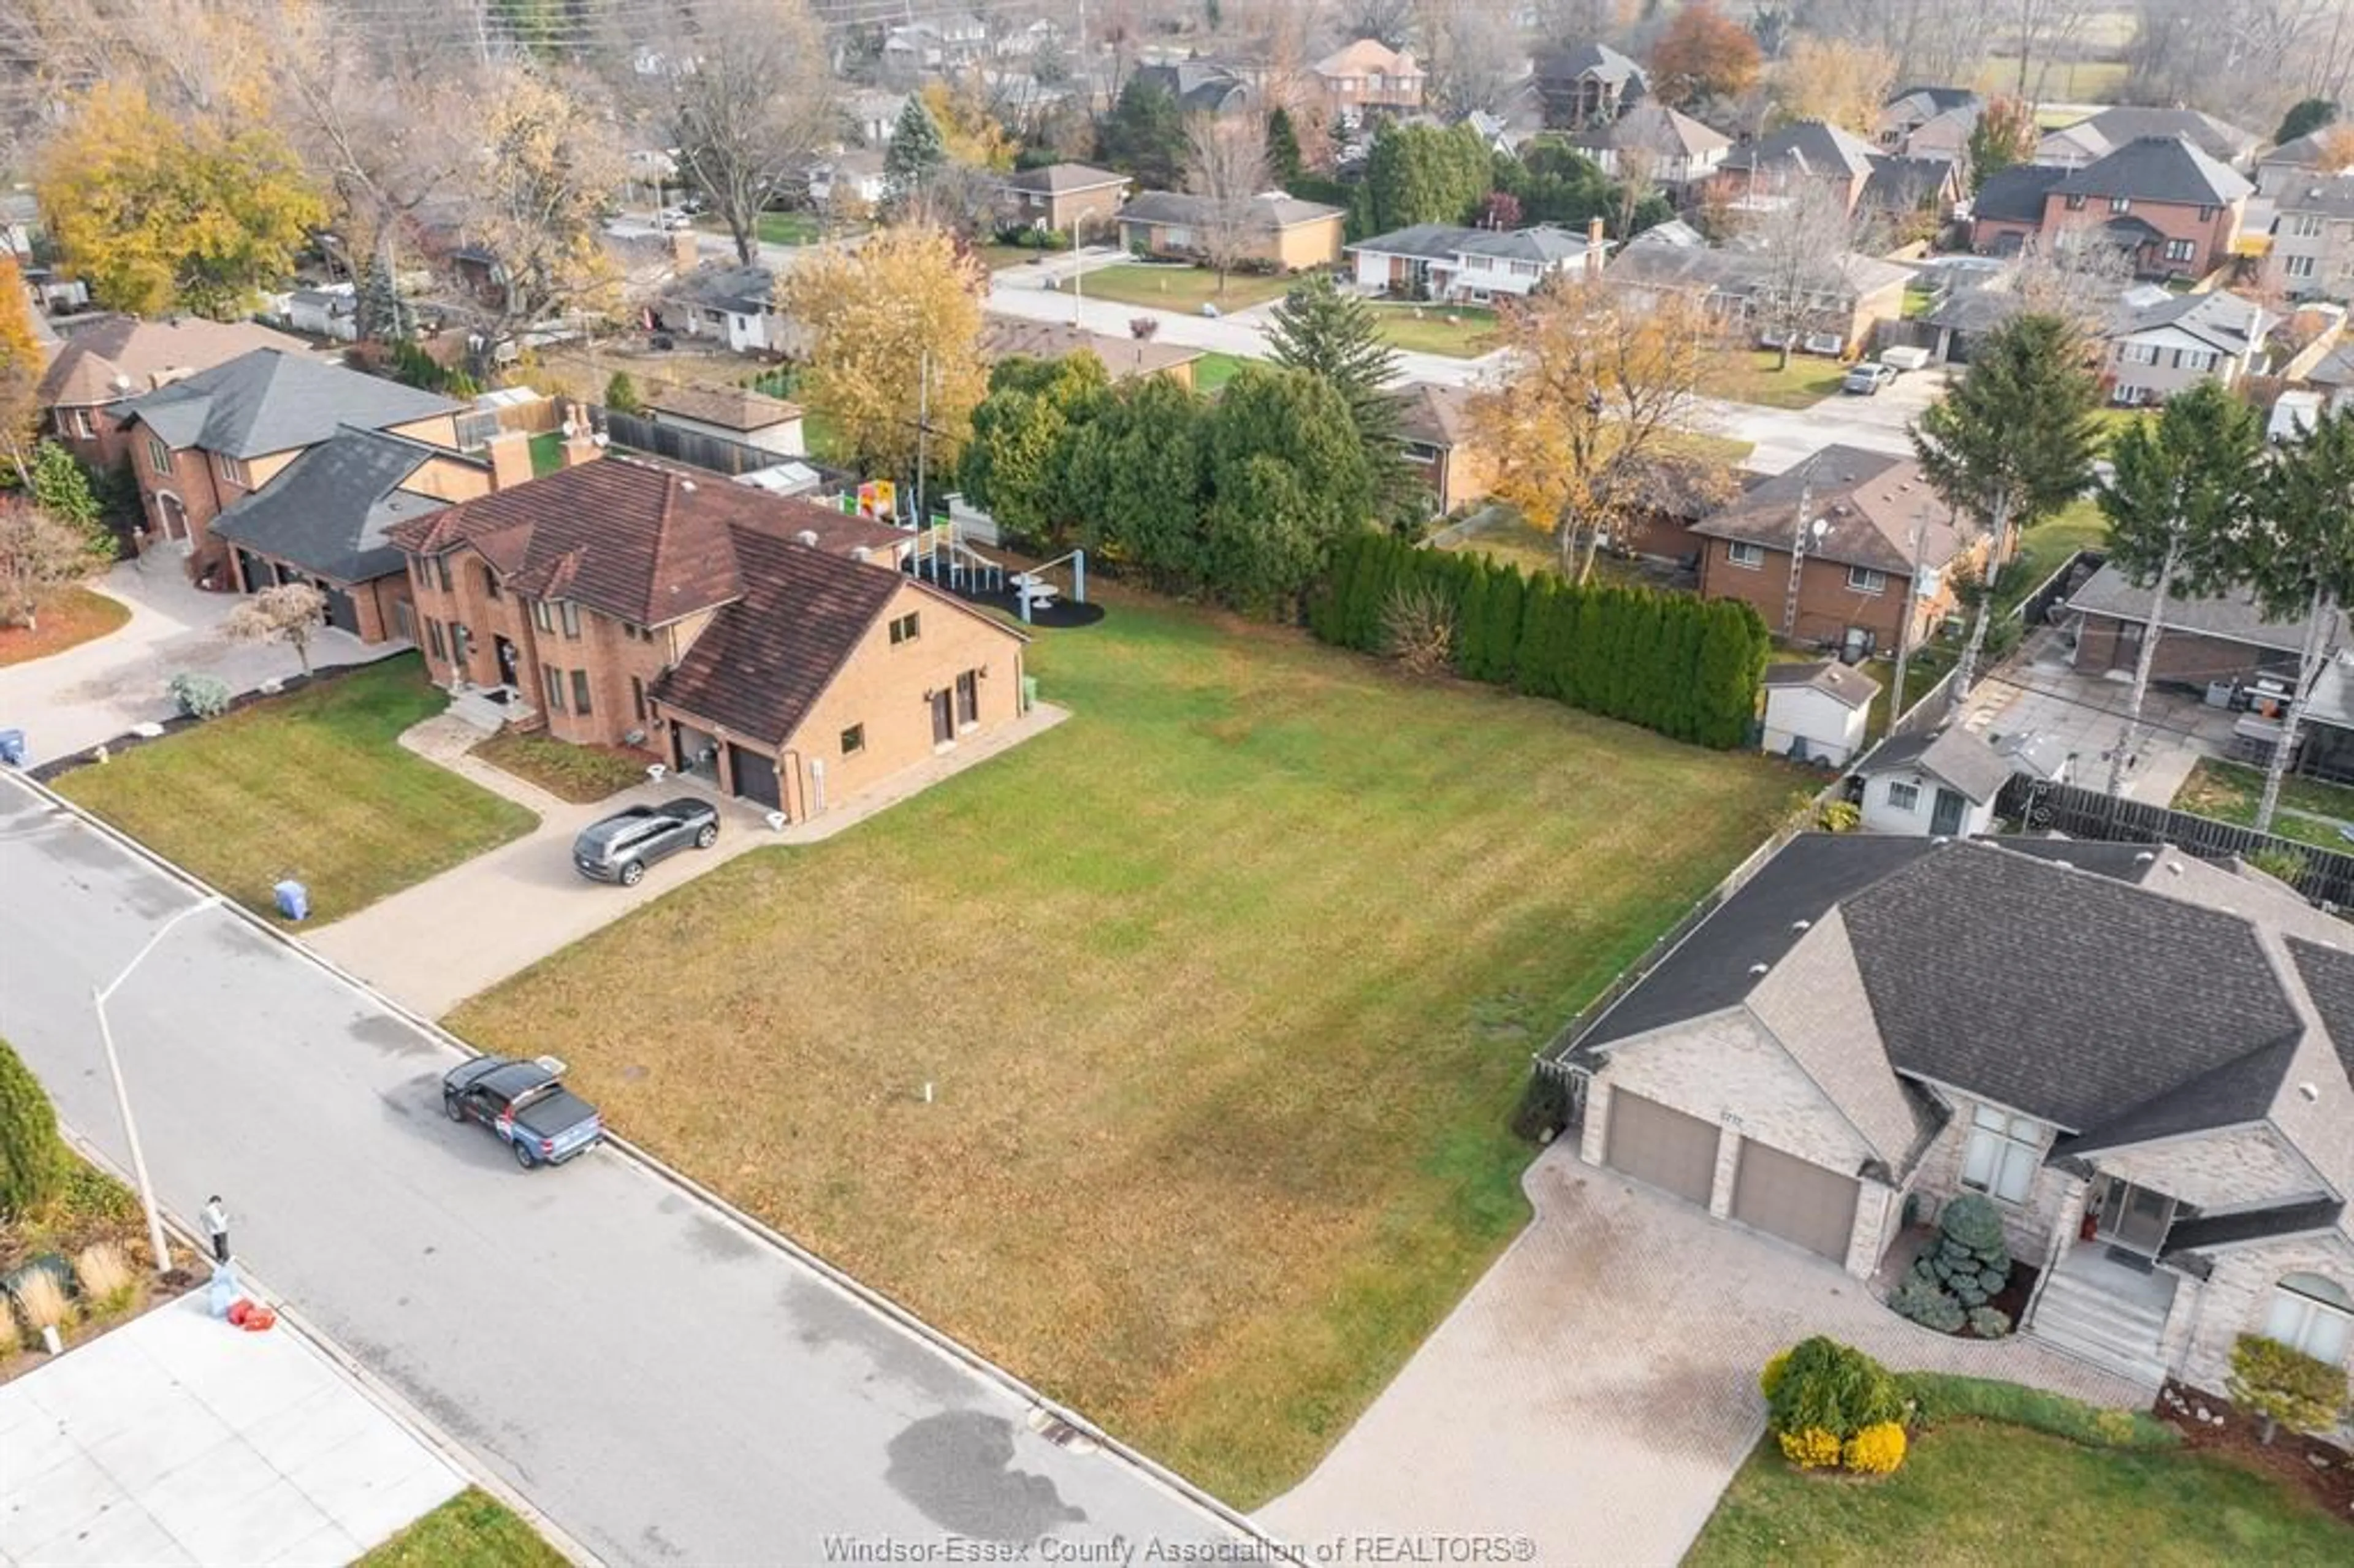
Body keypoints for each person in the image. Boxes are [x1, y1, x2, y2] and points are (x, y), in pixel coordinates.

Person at [200, 1195, 230, 1264]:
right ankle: (224, 1258)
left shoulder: (209, 1209)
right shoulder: (215, 1209)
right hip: (220, 1230)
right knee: (221, 1244)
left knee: (218, 1244)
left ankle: (221, 1258)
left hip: (217, 1230)